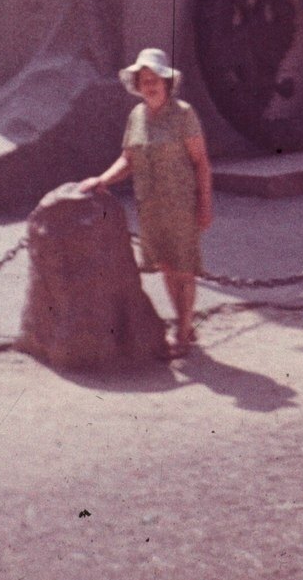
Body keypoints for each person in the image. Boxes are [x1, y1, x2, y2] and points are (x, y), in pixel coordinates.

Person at [81, 47, 213, 358]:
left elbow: (201, 163)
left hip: (181, 207)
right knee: (167, 267)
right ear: (138, 85)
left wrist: (205, 205)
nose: (150, 85)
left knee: (183, 269)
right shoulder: (136, 117)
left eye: (155, 79)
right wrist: (102, 180)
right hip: (150, 208)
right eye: (144, 80)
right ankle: (185, 322)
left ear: (167, 82)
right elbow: (128, 159)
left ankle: (182, 333)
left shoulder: (184, 114)